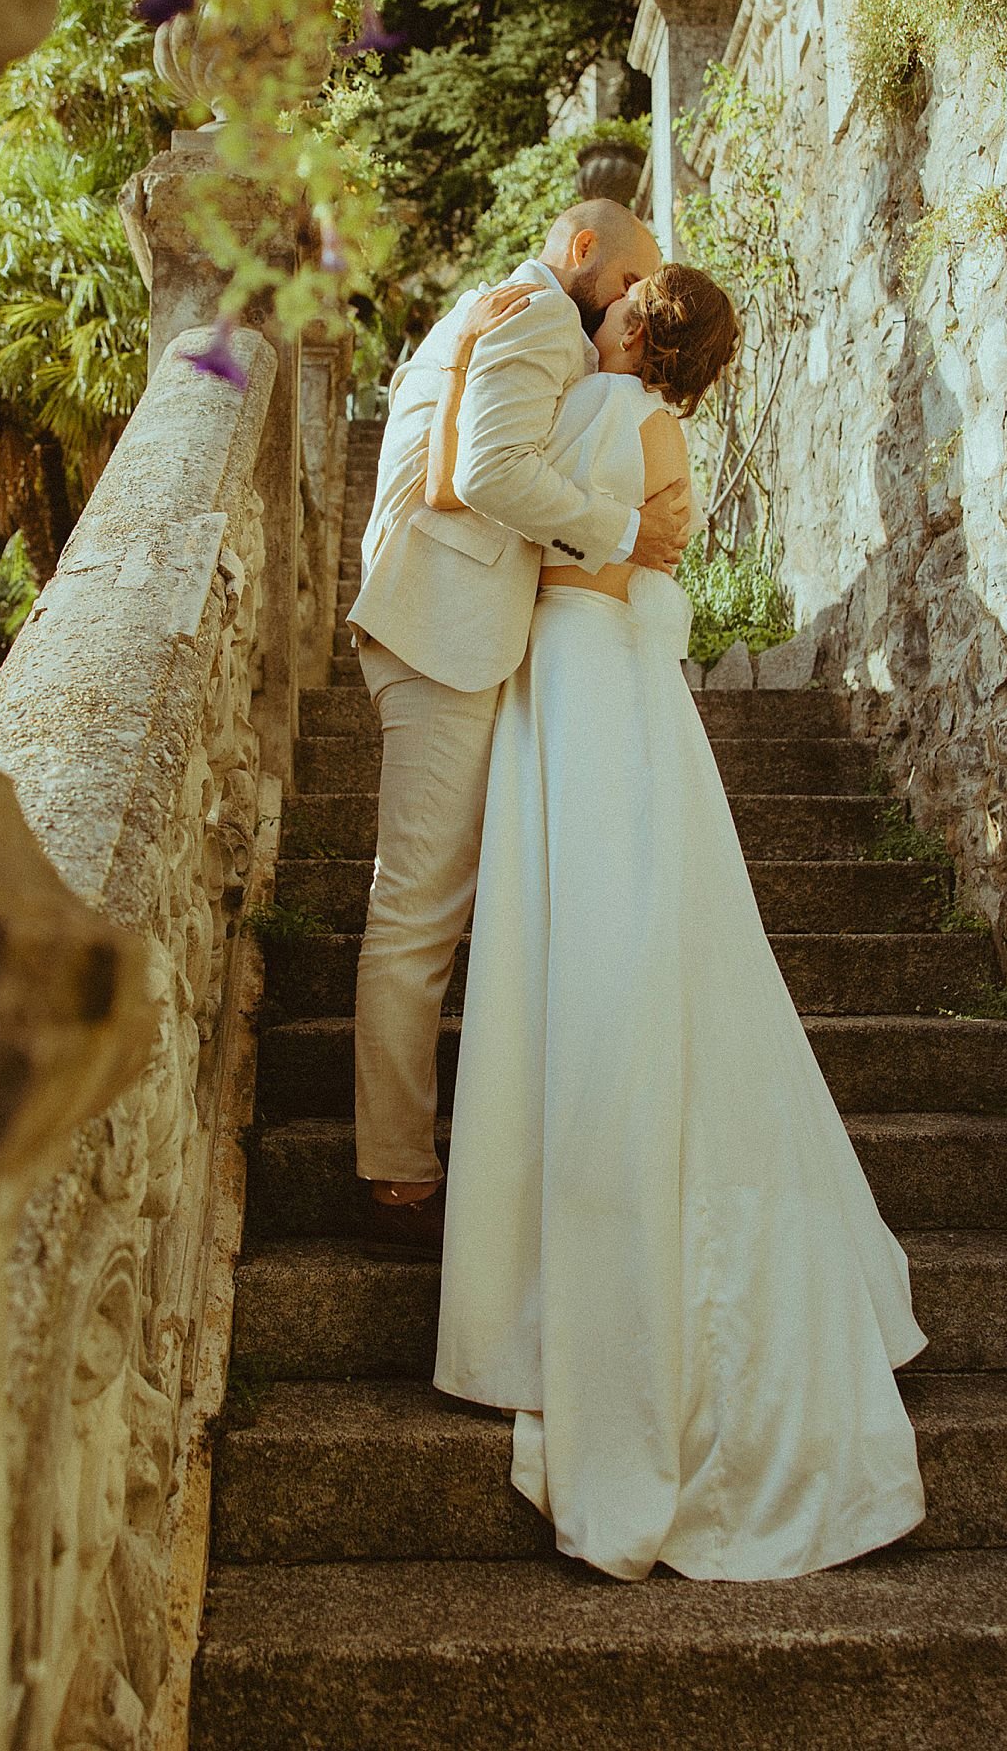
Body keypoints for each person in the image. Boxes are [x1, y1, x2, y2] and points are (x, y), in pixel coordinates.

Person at [429, 264, 930, 1581]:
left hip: (572, 679)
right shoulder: (645, 428)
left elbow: (503, 497)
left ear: (641, 327)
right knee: (642, 939)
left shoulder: (597, 406)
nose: (597, 308)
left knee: (592, 947)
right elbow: (645, 548)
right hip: (605, 673)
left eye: (621, 300)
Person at [345, 200, 691, 1256]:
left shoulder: (510, 312)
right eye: (632, 283)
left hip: (442, 621)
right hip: (446, 630)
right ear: (585, 252)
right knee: (418, 911)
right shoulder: (539, 314)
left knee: (444, 906)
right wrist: (626, 528)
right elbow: (493, 471)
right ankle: (397, 1175)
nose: (634, 306)